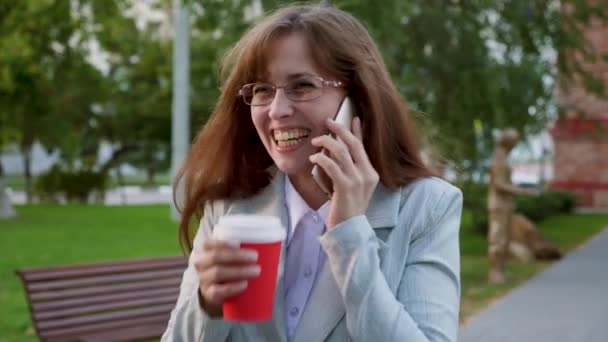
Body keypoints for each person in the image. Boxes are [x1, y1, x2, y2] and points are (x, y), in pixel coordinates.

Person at [162, 4, 462, 342]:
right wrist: (208, 306)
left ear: (357, 100)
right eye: (262, 89)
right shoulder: (230, 206)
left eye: (301, 86)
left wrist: (350, 235)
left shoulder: (427, 205)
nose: (276, 110)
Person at [487, 128, 538, 284]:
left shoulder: (503, 156)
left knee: (506, 238)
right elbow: (498, 184)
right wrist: (522, 190)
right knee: (498, 239)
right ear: (508, 141)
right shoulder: (499, 157)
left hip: (505, 203)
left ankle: (501, 270)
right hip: (498, 204)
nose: (516, 145)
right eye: (514, 141)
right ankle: (494, 272)